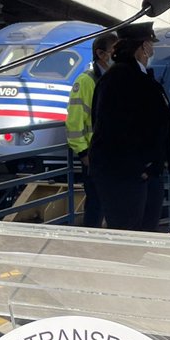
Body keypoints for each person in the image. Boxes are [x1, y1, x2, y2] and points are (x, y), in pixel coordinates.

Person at [89, 22, 170, 232]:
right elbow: (114, 129)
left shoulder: (139, 77)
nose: (152, 49)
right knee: (128, 236)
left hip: (143, 172)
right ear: (142, 46)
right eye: (149, 44)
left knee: (144, 232)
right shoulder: (120, 78)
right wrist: (141, 168)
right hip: (126, 175)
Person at [65, 31, 117, 227]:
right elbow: (75, 123)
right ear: (101, 54)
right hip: (94, 156)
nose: (118, 55)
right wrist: (84, 153)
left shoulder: (113, 78)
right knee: (96, 206)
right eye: (114, 51)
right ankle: (89, 246)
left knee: (111, 206)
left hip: (112, 155)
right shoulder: (86, 81)